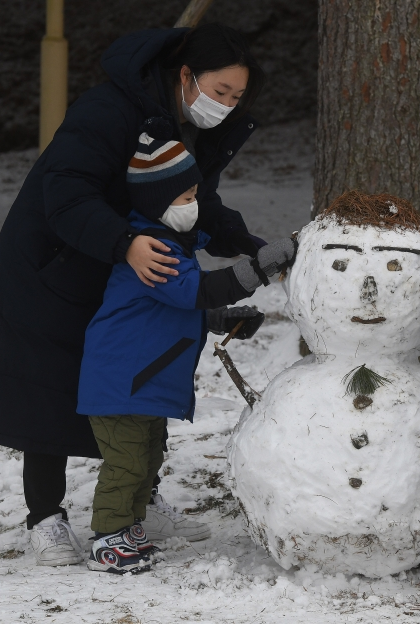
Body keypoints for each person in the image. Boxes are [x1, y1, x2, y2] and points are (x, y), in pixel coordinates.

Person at [0, 23, 269, 567]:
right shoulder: (108, 111)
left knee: (138, 385)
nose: (226, 106)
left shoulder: (183, 123)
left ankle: (141, 501)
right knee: (50, 388)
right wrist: (124, 242)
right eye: (220, 92)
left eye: (238, 97)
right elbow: (66, 189)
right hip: (53, 265)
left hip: (125, 264)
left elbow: (197, 200)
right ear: (185, 75)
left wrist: (246, 242)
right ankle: (45, 516)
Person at [79, 133, 296, 573]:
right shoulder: (153, 249)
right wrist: (258, 268)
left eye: (196, 193)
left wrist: (221, 319)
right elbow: (195, 291)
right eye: (186, 195)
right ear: (159, 200)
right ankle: (108, 537)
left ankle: (131, 526)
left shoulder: (172, 245)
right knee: (125, 464)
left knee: (146, 460)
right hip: (122, 380)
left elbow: (172, 306)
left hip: (144, 381)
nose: (194, 203)